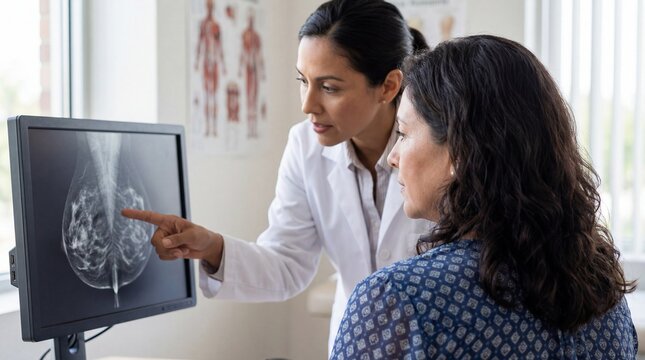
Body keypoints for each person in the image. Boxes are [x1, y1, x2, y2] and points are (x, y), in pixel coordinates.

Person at [121, 0, 430, 352]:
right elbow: (287, 264)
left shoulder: (441, 149)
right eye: (303, 81)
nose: (307, 105)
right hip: (354, 346)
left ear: (389, 86)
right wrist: (212, 247)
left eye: (329, 87)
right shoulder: (305, 145)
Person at [330, 35, 638, 359]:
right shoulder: (603, 293)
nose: (393, 156)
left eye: (404, 134)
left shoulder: (394, 302)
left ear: (460, 153)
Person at [195, 0, 226, 137]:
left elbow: (219, 46)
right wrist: (196, 61)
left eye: (211, 6)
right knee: (207, 96)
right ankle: (208, 127)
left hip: (214, 63)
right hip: (206, 63)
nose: (209, 8)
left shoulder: (216, 26)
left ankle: (214, 128)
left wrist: (223, 64)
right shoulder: (203, 25)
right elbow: (199, 44)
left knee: (214, 96)